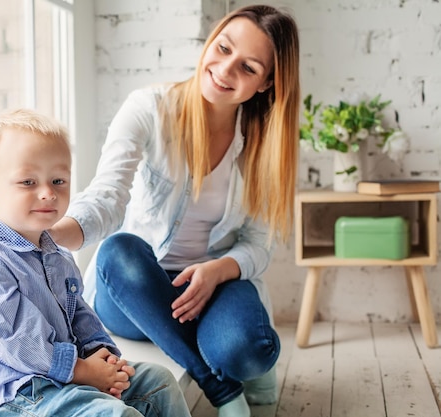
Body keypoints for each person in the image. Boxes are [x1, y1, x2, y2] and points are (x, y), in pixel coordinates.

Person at [49, 5, 300, 417]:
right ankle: (220, 389)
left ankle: (227, 353)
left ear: (267, 82)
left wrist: (218, 270)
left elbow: (258, 244)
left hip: (212, 286)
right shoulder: (149, 108)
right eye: (223, 48)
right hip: (135, 291)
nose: (225, 69)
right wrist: (52, 233)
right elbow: (107, 196)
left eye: (248, 67)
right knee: (118, 250)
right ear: (211, 40)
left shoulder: (264, 145)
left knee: (251, 352)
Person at [0, 108, 192, 417]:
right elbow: (22, 345)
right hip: (20, 396)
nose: (48, 193)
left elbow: (81, 316)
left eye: (58, 180)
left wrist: (103, 360)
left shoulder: (58, 255)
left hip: (69, 380)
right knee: (115, 415)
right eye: (27, 182)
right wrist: (83, 371)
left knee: (158, 382)